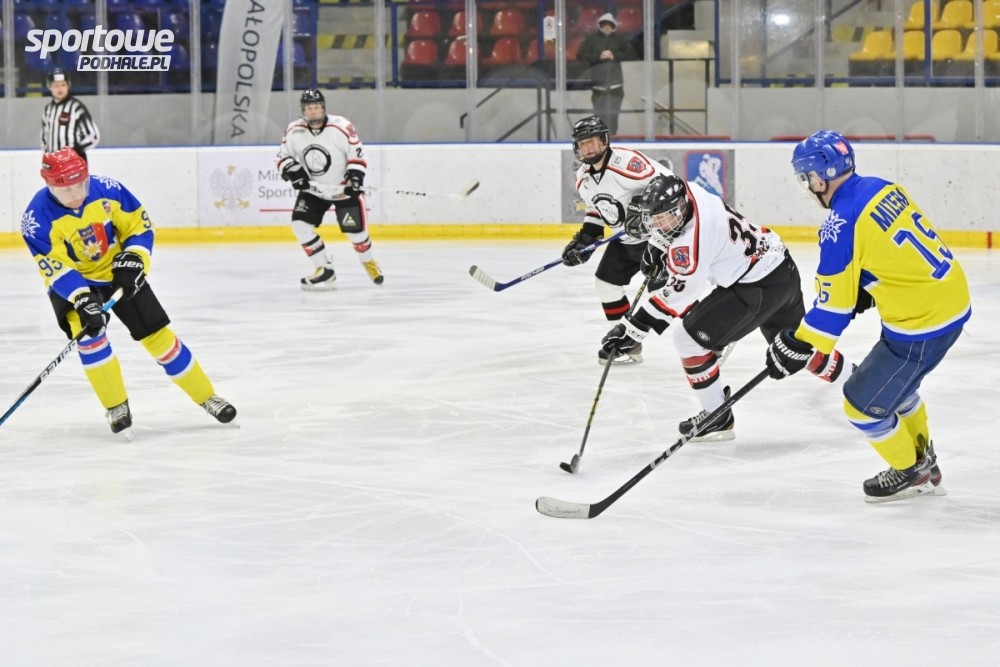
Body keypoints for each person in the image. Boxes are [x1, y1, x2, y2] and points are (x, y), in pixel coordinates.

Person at [765, 130, 971, 503]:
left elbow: (832, 310)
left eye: (806, 178)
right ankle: (924, 460)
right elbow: (892, 249)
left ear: (819, 178)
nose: (808, 187)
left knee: (860, 405)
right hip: (948, 296)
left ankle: (911, 472)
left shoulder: (839, 223)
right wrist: (867, 282)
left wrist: (797, 343)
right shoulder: (881, 187)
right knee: (897, 391)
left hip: (922, 323)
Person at [600, 174, 853, 442]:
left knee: (687, 340)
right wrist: (659, 245)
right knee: (796, 347)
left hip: (755, 287)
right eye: (654, 220)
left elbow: (680, 293)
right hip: (780, 266)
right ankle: (859, 382)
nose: (656, 226)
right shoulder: (692, 192)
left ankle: (716, 417)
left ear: (679, 209)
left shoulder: (692, 241)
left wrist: (633, 329)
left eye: (662, 219)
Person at [20, 148, 237, 440]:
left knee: (158, 336)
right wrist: (82, 298)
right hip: (73, 284)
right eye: (66, 189)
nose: (76, 195)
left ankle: (207, 397)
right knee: (91, 339)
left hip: (117, 272)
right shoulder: (36, 218)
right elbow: (55, 267)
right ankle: (116, 407)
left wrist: (134, 258)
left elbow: (138, 226)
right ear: (49, 184)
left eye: (80, 185)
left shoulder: (109, 190)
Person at [563, 115, 675, 365]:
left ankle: (711, 335)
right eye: (584, 144)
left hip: (657, 239)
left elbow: (669, 184)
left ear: (605, 140)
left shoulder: (626, 163)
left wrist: (643, 205)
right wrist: (586, 239)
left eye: (594, 141)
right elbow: (595, 210)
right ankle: (628, 342)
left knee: (667, 292)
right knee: (606, 284)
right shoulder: (583, 177)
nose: (589, 148)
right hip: (625, 242)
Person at [276, 89, 383, 290]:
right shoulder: (294, 130)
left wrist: (355, 176)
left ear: (323, 108)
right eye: (309, 108)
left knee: (357, 234)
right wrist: (292, 170)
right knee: (300, 225)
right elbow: (283, 156)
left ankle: (368, 261)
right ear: (303, 111)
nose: (313, 111)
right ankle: (324, 268)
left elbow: (357, 153)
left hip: (342, 189)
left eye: (317, 107)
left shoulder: (340, 126)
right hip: (314, 191)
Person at [576, 13, 635, 136]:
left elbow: (631, 54)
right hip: (598, 87)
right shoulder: (591, 39)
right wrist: (599, 56)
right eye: (604, 25)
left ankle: (612, 139)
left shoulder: (619, 39)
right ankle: (602, 140)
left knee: (613, 117)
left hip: (616, 86)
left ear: (613, 26)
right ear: (600, 26)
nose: (607, 27)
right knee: (599, 118)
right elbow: (581, 55)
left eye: (610, 25)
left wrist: (614, 55)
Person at [40, 68, 100, 163]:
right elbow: (44, 137)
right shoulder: (48, 110)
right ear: (49, 86)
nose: (60, 89)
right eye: (56, 85)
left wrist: (75, 151)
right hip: (54, 164)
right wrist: (47, 158)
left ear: (68, 85)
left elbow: (93, 136)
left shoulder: (76, 107)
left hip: (74, 164)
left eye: (63, 85)